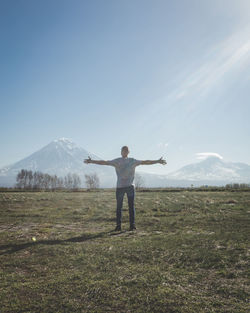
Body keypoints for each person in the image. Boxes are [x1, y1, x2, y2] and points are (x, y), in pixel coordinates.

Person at [84, 146, 167, 231]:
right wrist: (92, 161)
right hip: (121, 187)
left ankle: (131, 225)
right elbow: (104, 162)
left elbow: (146, 162)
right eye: (123, 151)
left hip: (128, 187)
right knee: (120, 207)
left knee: (130, 206)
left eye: (125, 151)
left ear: (128, 152)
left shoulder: (132, 161)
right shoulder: (118, 161)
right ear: (122, 152)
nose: (124, 152)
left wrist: (157, 161)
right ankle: (119, 226)